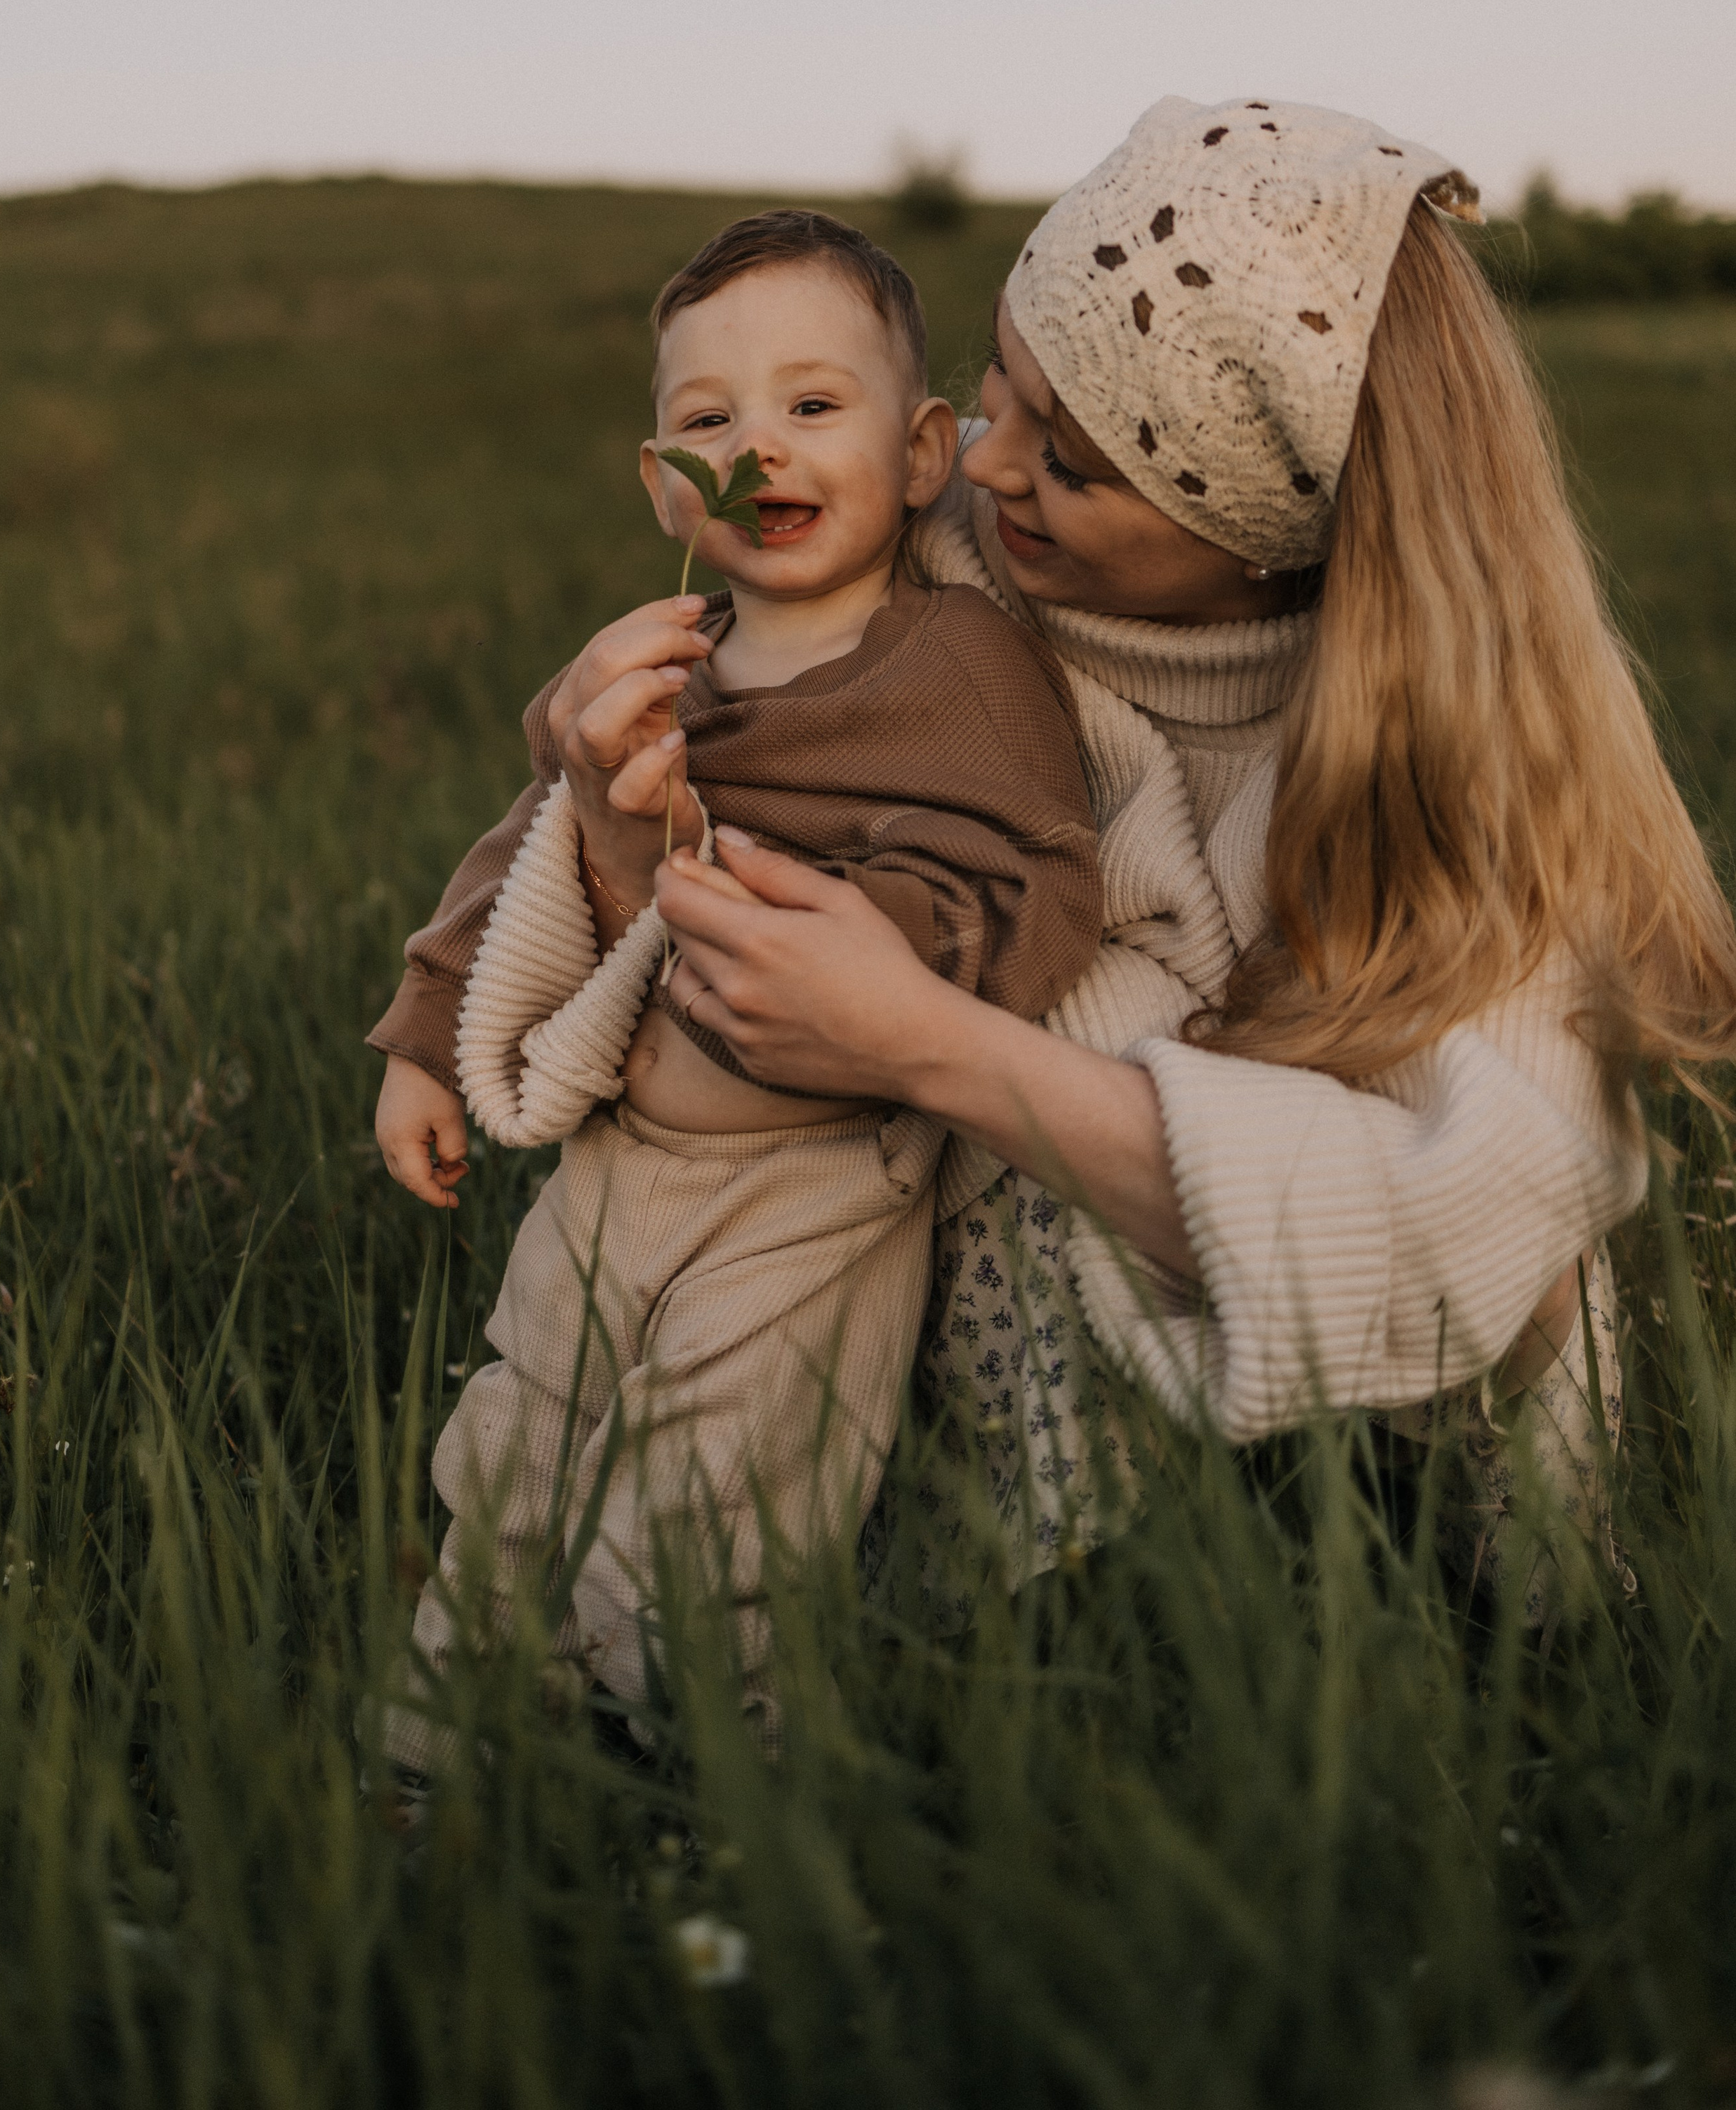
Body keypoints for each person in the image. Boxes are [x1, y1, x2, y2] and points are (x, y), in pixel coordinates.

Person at [622, 97, 1736, 1616]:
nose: (984, 466)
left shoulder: (1458, 754)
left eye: (1067, 462)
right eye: (998, 385)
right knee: (1003, 1173)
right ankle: (1007, 1622)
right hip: (1021, 1251)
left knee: (1517, 1264)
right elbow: (743, 665)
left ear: (1263, 532)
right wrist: (597, 743)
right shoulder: (942, 567)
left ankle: (1517, 1638)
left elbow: (1485, 1225)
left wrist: (932, 1042)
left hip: (1333, 1287)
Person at [373, 211, 1104, 1751]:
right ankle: (432, 1767)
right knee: (512, 1454)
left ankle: (692, 1802)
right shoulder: (661, 660)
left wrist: (840, 938)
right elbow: (526, 855)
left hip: (812, 1173)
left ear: (919, 454)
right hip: (608, 1169)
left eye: (810, 406)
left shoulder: (953, 667)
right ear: (662, 484)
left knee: (720, 1504)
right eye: (709, 422)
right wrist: (433, 1040)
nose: (755, 447)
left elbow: (1036, 885)